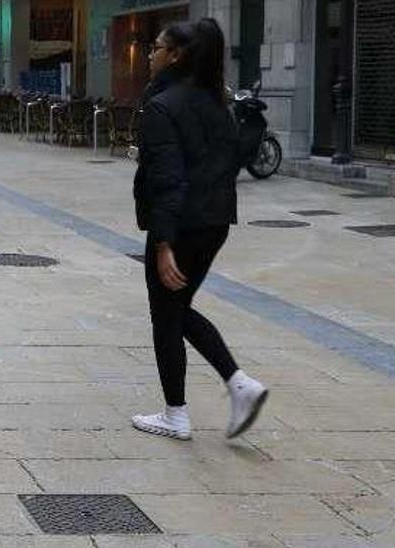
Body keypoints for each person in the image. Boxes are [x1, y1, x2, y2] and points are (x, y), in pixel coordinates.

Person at [131, 18, 267, 441]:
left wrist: (164, 241)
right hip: (215, 221)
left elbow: (168, 179)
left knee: (166, 314)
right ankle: (239, 386)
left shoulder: (163, 105)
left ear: (175, 55)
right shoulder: (215, 102)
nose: (150, 54)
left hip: (181, 224)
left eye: (156, 47)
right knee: (177, 309)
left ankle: (178, 413)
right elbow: (235, 157)